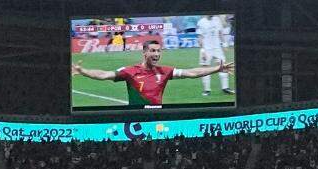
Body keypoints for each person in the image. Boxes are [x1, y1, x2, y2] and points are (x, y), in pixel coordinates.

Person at [73, 39, 234, 108]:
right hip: (134, 117)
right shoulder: (130, 71)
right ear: (144, 52)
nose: (156, 54)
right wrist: (83, 71)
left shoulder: (164, 71)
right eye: (153, 51)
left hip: (157, 117)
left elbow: (191, 73)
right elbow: (104, 75)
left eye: (158, 51)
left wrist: (216, 69)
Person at [196, 15, 234, 96]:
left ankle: (225, 88)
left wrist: (224, 44)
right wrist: (202, 50)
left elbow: (220, 33)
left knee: (223, 66)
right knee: (205, 68)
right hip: (206, 49)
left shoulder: (217, 19)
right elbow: (200, 37)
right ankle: (207, 90)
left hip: (217, 48)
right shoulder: (201, 22)